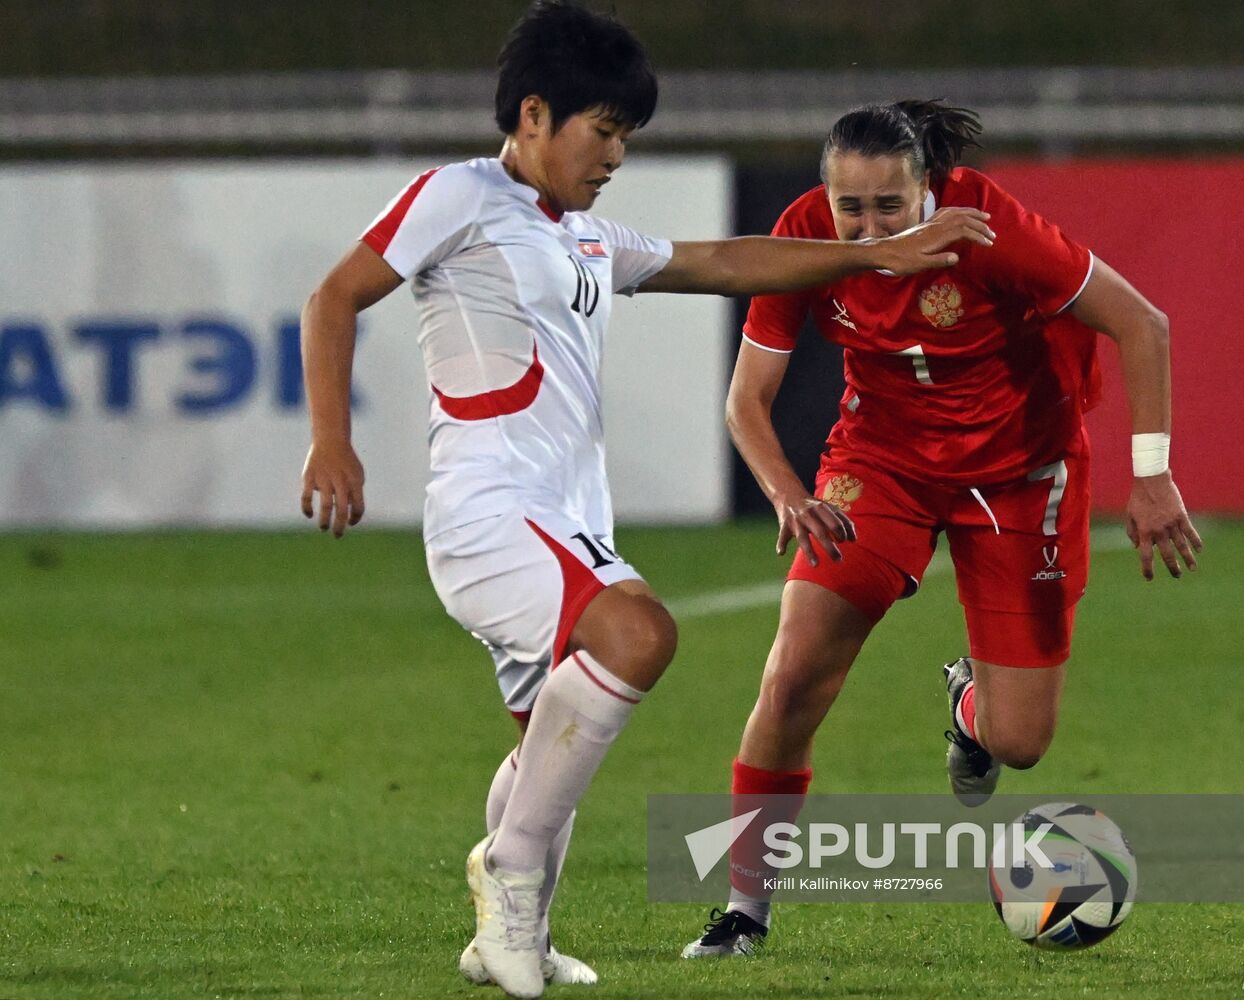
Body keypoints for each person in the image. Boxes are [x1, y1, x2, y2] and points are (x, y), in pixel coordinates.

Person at [297, 4, 992, 993]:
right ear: (533, 113)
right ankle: (507, 878)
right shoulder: (459, 194)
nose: (616, 152)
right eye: (604, 129)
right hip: (494, 511)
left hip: (561, 519)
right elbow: (333, 297)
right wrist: (333, 440)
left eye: (626, 134)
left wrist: (870, 256)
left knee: (548, 746)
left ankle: (513, 942)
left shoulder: (579, 234)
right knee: (639, 637)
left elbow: (718, 262)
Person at [681, 100, 1201, 959]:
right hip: (879, 463)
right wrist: (784, 493)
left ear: (929, 188)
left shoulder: (994, 231)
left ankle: (971, 708)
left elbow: (1141, 322)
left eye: (890, 206)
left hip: (1018, 472)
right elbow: (747, 400)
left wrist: (1150, 475)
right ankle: (744, 910)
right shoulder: (805, 235)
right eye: (852, 208)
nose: (870, 224)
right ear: (825, 197)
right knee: (796, 668)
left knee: (1020, 744)